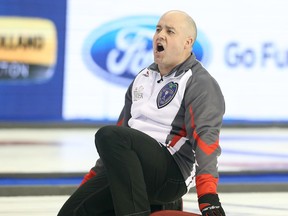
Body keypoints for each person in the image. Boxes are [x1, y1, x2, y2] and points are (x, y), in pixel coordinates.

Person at [58, 10, 226, 216]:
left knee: (110, 135)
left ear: (187, 42)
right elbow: (122, 133)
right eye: (158, 29)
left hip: (171, 173)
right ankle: (157, 207)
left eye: (170, 31)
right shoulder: (143, 77)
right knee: (72, 212)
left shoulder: (199, 82)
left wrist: (208, 196)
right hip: (132, 169)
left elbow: (206, 140)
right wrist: (89, 184)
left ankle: (152, 206)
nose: (160, 35)